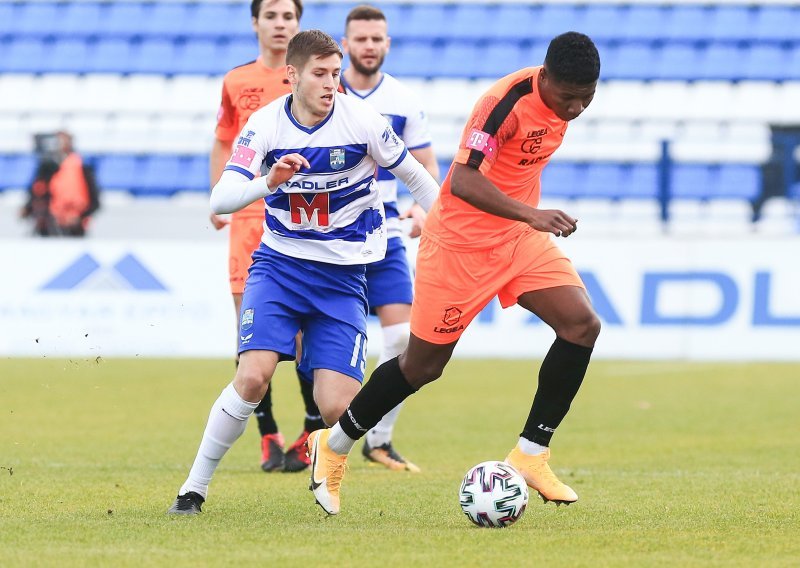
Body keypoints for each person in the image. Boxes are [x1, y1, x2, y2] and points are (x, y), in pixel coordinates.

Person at [306, 32, 602, 515]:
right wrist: (533, 214)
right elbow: (462, 181)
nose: (574, 108)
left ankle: (531, 454)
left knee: (581, 324)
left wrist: (525, 221)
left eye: (586, 98)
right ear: (544, 77)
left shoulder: (564, 101)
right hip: (460, 246)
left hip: (516, 239)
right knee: (422, 367)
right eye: (567, 97)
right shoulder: (503, 104)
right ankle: (333, 446)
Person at [167, 30, 439, 515]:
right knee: (253, 377)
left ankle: (325, 451)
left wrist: (444, 228)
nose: (332, 83)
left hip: (343, 278)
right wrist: (267, 181)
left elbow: (418, 178)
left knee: (339, 408)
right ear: (291, 75)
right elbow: (221, 198)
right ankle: (194, 488)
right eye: (320, 74)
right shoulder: (264, 125)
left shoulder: (364, 122)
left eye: (336, 74)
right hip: (280, 267)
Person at [210, 0, 322, 473]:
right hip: (248, 218)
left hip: (297, 219)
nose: (280, 24)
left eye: (288, 17)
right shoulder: (237, 80)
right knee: (250, 332)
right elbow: (223, 138)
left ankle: (310, 430)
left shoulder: (311, 78)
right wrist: (218, 195)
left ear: (299, 24)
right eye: (271, 16)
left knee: (298, 336)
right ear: (255, 23)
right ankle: (268, 434)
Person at [334, 4, 440, 472]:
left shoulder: (403, 100)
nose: (369, 46)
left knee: (401, 337)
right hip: (326, 235)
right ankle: (313, 430)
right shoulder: (324, 92)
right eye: (361, 39)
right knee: (311, 341)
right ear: (345, 44)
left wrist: (419, 209)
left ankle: (379, 438)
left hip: (385, 230)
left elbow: (426, 168)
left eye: (377, 39)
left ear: (387, 44)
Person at [21, 131, 100, 237]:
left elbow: (95, 201)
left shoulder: (83, 169)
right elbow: (38, 193)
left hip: (74, 228)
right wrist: (28, 208)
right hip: (47, 226)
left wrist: (79, 216)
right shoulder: (45, 170)